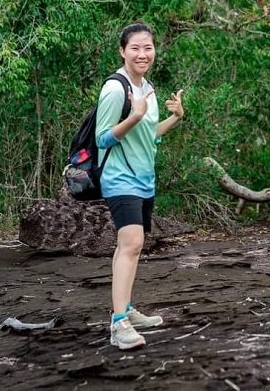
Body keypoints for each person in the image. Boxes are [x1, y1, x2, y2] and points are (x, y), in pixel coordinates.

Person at [96, 22, 185, 349]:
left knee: (129, 246)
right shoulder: (115, 89)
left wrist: (175, 117)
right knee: (132, 243)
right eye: (135, 47)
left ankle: (127, 309)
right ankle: (119, 324)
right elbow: (102, 139)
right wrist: (133, 116)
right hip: (120, 178)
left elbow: (149, 135)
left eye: (148, 47)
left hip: (144, 178)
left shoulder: (147, 89)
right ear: (122, 51)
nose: (142, 54)